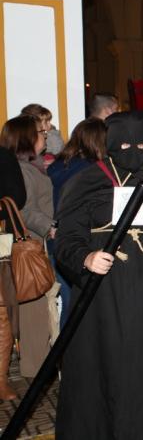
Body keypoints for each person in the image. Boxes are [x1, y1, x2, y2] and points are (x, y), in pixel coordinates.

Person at [54, 110, 143, 439]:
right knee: (100, 369)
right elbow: (67, 239)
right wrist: (85, 257)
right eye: (124, 143)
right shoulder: (88, 181)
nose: (132, 150)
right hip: (101, 295)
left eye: (139, 143)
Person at [0, 115, 57, 378]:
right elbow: (23, 208)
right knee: (32, 309)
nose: (43, 134)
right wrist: (50, 226)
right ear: (25, 138)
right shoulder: (21, 169)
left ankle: (36, 365)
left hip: (34, 242)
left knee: (34, 308)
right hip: (29, 244)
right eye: (38, 131)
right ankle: (35, 371)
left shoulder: (33, 165)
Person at [47, 118, 107, 329]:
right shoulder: (90, 173)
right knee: (79, 306)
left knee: (68, 302)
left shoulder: (57, 166)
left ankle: (63, 356)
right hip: (78, 242)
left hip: (56, 243)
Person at [0, 143, 25, 400]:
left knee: (2, 317)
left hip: (0, 248)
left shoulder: (3, 156)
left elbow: (17, 197)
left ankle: (1, 379)